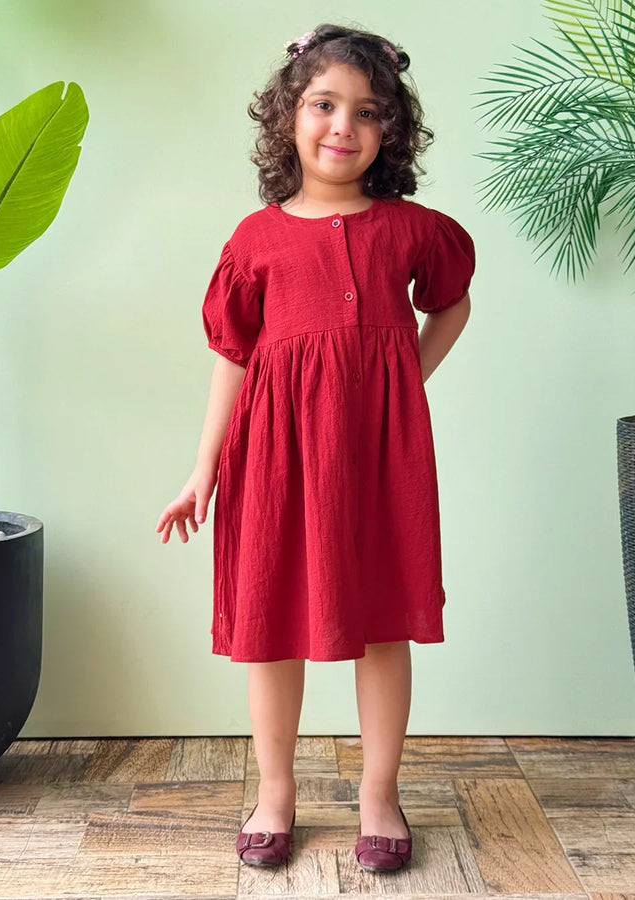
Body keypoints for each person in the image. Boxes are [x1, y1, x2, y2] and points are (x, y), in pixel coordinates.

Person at [155, 22, 476, 872]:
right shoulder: (254, 241)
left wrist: (405, 376)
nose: (344, 126)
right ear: (287, 118)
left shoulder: (412, 229)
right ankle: (275, 794)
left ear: (391, 131)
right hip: (274, 461)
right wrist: (202, 470)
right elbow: (233, 356)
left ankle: (380, 794)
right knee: (269, 626)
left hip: (379, 463)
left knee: (383, 621)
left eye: (368, 112)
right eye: (324, 105)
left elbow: (451, 301)